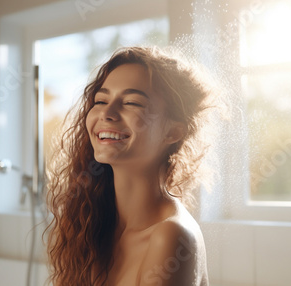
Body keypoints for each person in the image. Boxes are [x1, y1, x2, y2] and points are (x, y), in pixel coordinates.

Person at [45, 46, 217, 285]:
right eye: (101, 100)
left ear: (173, 131)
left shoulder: (170, 236)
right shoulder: (92, 226)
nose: (107, 113)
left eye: (132, 103)